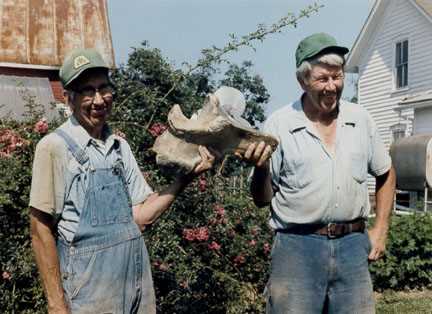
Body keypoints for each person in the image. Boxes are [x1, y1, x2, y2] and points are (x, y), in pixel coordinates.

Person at [29, 48, 215, 314]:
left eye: (104, 88)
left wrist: (184, 179)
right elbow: (39, 229)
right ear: (69, 98)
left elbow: (139, 218)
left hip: (134, 281)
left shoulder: (119, 147)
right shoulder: (54, 147)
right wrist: (56, 304)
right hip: (89, 289)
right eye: (87, 91)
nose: (98, 100)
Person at [241, 33, 396, 313]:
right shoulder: (279, 124)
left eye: (337, 77)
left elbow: (386, 173)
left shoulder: (360, 120)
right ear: (302, 80)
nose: (332, 87)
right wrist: (261, 168)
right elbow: (262, 199)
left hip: (352, 246)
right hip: (297, 248)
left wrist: (381, 229)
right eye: (322, 79)